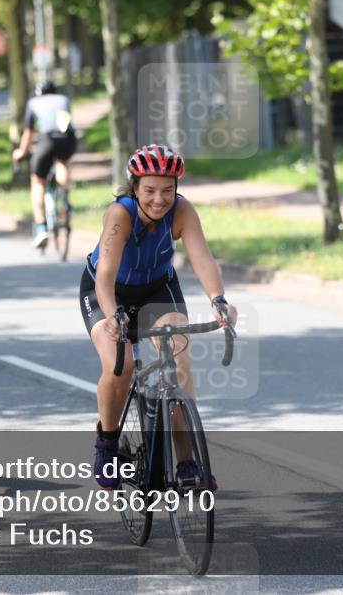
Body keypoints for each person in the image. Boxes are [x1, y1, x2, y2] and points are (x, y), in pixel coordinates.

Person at [79, 144, 237, 489]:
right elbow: (105, 273)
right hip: (107, 293)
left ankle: (186, 462)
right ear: (134, 188)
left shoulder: (181, 212)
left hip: (156, 289)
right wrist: (112, 315)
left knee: (178, 364)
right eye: (149, 190)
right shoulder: (120, 215)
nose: (158, 199)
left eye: (167, 190)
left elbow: (202, 258)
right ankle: (107, 443)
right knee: (118, 366)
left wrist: (219, 300)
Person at [12, 81, 77, 248]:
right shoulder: (64, 99)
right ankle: (65, 198)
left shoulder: (33, 103)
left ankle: (41, 228)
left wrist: (21, 152)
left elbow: (28, 133)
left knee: (38, 181)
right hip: (67, 139)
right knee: (63, 161)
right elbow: (66, 122)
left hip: (47, 140)